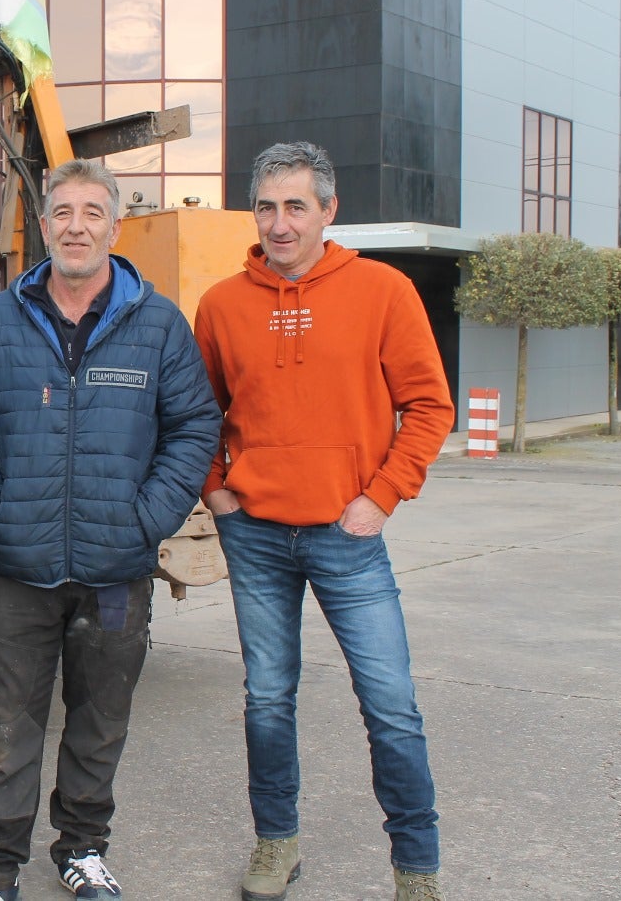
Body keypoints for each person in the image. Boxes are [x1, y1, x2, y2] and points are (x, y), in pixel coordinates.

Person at [0, 159, 223, 901]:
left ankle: (83, 849)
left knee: (100, 721)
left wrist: (148, 517)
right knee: (6, 727)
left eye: (92, 213)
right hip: (19, 569)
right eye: (62, 213)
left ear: (114, 228)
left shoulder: (156, 325)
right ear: (45, 226)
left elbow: (193, 427)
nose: (76, 227)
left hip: (115, 571)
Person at [193, 142, 455, 901]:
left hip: (348, 536)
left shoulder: (383, 291)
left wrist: (381, 497)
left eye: (296, 206)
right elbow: (194, 412)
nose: (280, 224)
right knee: (268, 699)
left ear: (328, 211)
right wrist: (216, 489)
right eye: (268, 207)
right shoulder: (221, 305)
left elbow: (430, 406)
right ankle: (276, 845)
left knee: (392, 707)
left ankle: (417, 869)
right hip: (257, 536)